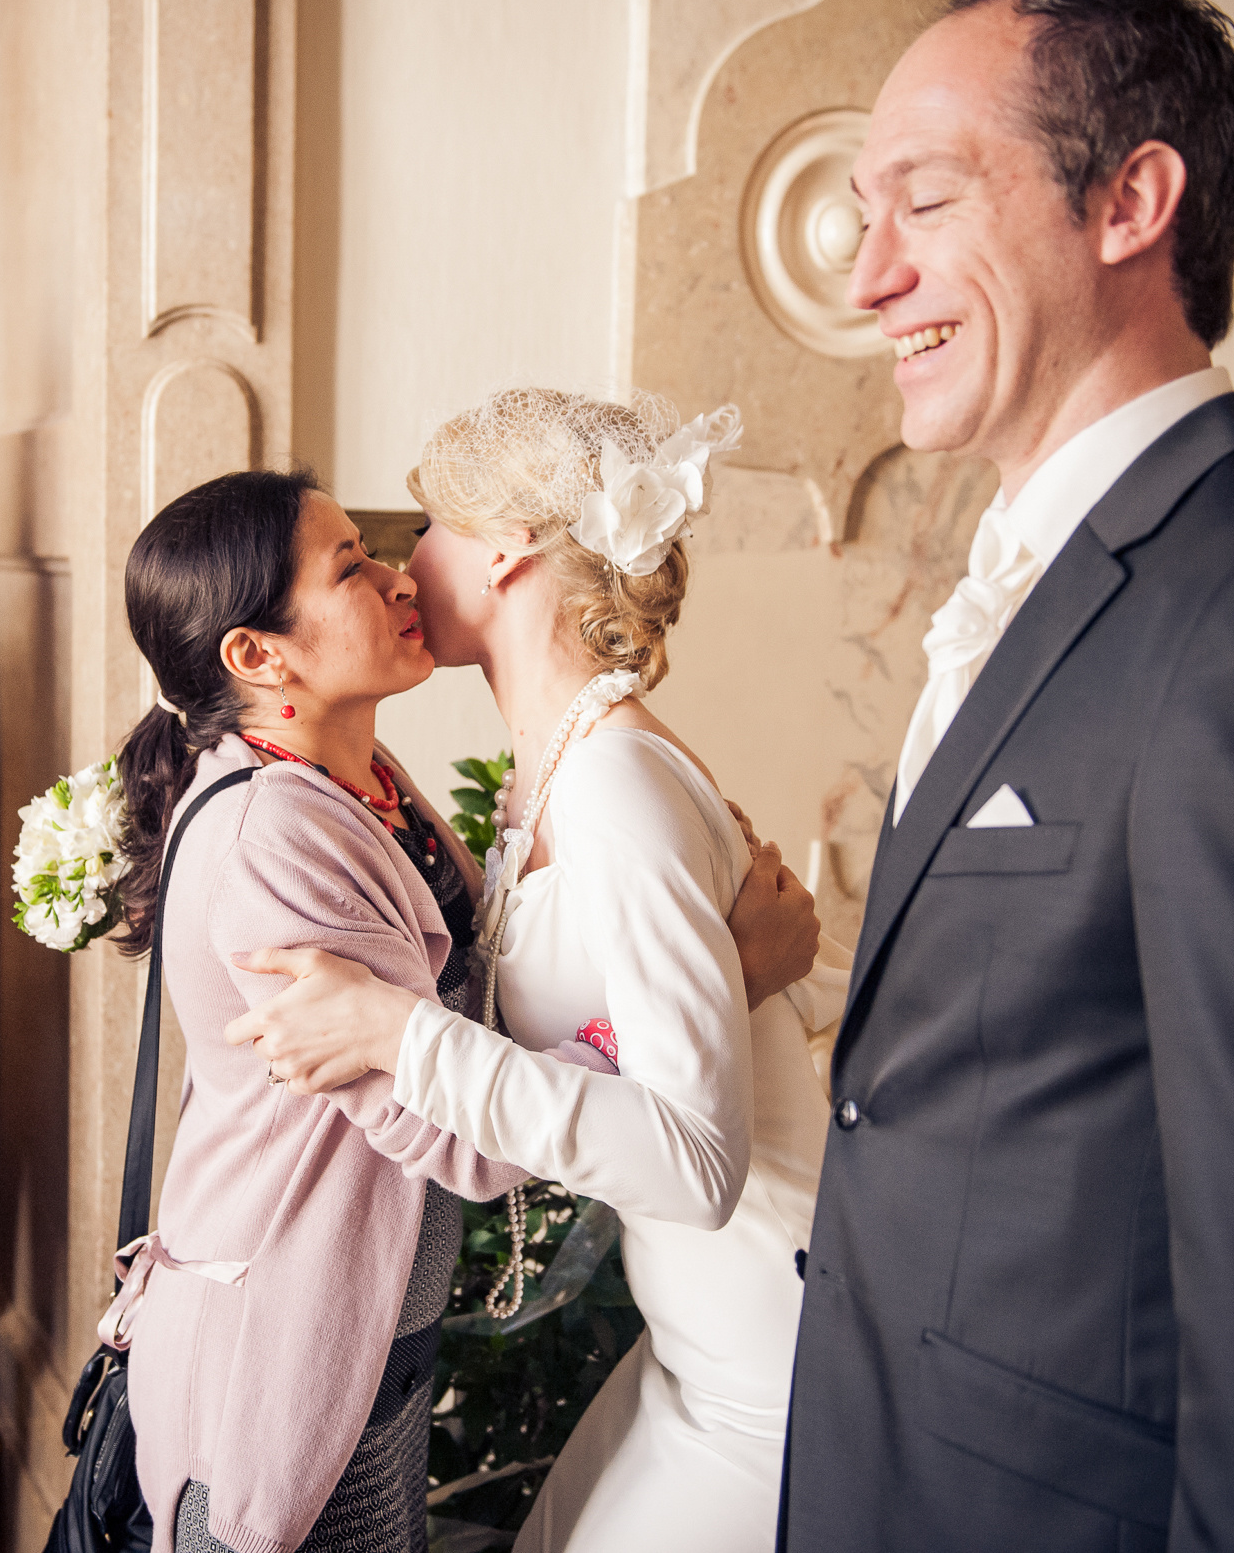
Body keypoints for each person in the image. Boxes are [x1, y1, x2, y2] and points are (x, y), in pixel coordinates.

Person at [783, 0, 1234, 1550]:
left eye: (926, 200)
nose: (871, 276)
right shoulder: (1033, 577)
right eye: (858, 213)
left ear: (1129, 201)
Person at [222, 390, 845, 1551]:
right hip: (695, 1338)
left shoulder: (615, 784)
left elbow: (697, 1162)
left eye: (430, 531)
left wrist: (396, 1037)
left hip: (769, 1351)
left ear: (508, 552)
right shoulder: (547, 769)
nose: (407, 570)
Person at [104, 467, 525, 1553]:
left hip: (366, 1343)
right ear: (256, 655)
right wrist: (665, 1046)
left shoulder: (357, 777)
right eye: (352, 565)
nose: (397, 578)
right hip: (276, 1372)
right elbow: (460, 1136)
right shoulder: (274, 838)